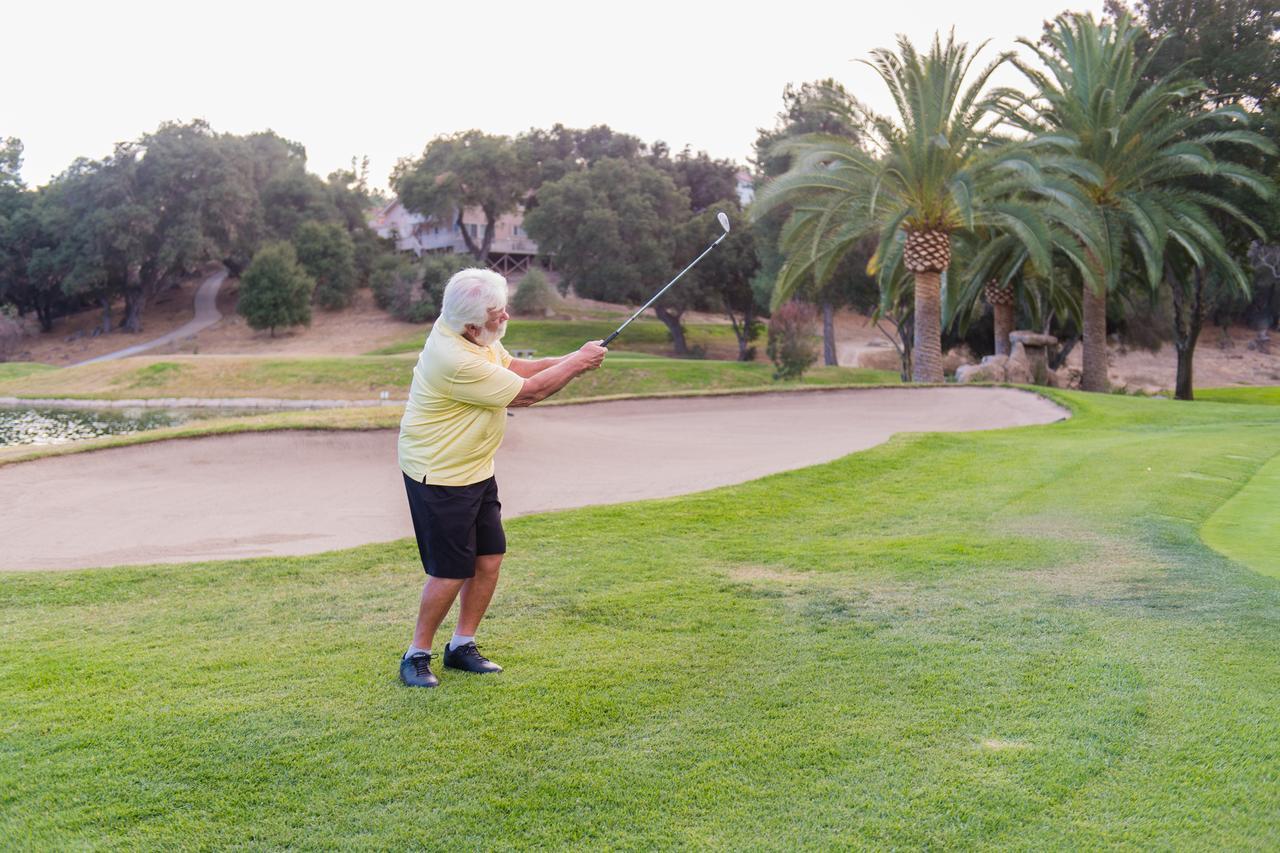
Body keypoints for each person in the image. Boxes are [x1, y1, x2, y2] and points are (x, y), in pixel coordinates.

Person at [398, 268, 607, 688]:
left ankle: (461, 646)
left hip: (475, 468)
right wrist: (579, 363)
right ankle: (416, 654)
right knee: (450, 571)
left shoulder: (472, 332)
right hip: (439, 475)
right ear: (473, 324)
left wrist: (572, 360)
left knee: (488, 559)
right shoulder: (453, 358)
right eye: (498, 313)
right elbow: (528, 393)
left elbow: (516, 368)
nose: (506, 317)